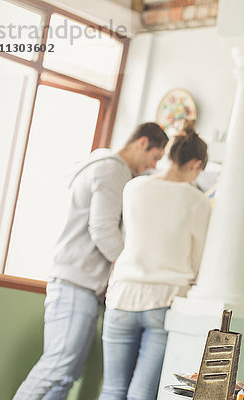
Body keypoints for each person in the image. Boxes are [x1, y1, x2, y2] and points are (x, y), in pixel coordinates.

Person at [14, 122, 169, 400]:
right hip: (77, 283)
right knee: (57, 368)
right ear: (142, 142)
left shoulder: (103, 166)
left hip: (77, 283)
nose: (150, 166)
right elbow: (104, 230)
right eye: (155, 157)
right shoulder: (112, 170)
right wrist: (129, 268)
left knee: (66, 373)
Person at [98, 129, 211, 400]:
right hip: (165, 299)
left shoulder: (134, 187)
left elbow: (129, 236)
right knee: (141, 393)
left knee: (112, 389)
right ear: (196, 165)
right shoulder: (197, 200)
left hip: (122, 296)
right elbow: (198, 260)